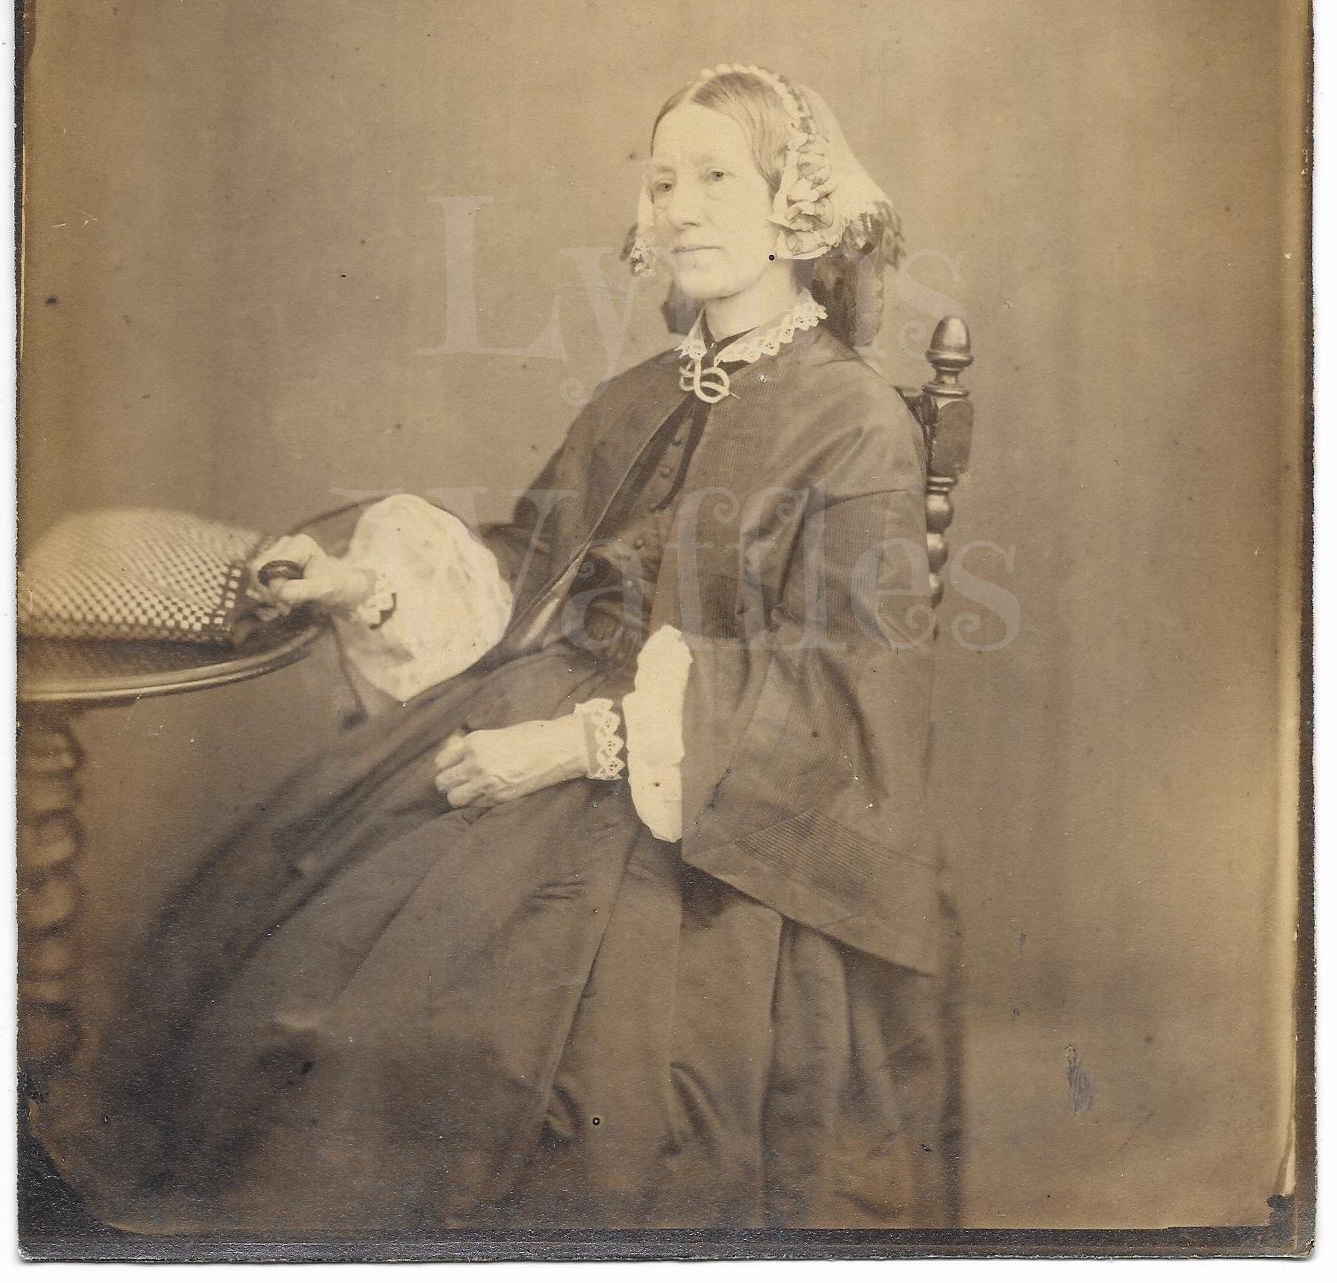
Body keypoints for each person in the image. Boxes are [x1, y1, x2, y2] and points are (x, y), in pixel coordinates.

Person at [43, 65, 957, 1234]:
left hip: (717, 827)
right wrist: (363, 583)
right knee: (289, 976)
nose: (677, 208)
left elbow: (855, 681)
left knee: (471, 1058)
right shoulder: (635, 398)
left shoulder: (856, 421)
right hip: (535, 722)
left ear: (795, 201)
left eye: (714, 178)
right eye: (660, 181)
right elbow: (532, 564)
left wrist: (581, 744)